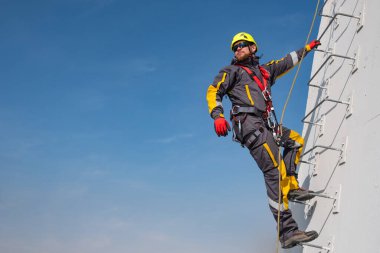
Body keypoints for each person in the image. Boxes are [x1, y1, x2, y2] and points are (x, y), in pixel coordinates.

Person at [206, 32, 321, 248]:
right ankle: (287, 232)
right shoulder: (231, 71)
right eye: (234, 47)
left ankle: (292, 187)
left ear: (253, 48)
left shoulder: (264, 71)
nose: (237, 49)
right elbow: (214, 91)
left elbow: (286, 62)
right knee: (273, 172)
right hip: (250, 125)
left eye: (241, 45)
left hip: (266, 123)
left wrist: (307, 49)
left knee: (296, 141)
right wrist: (218, 115)